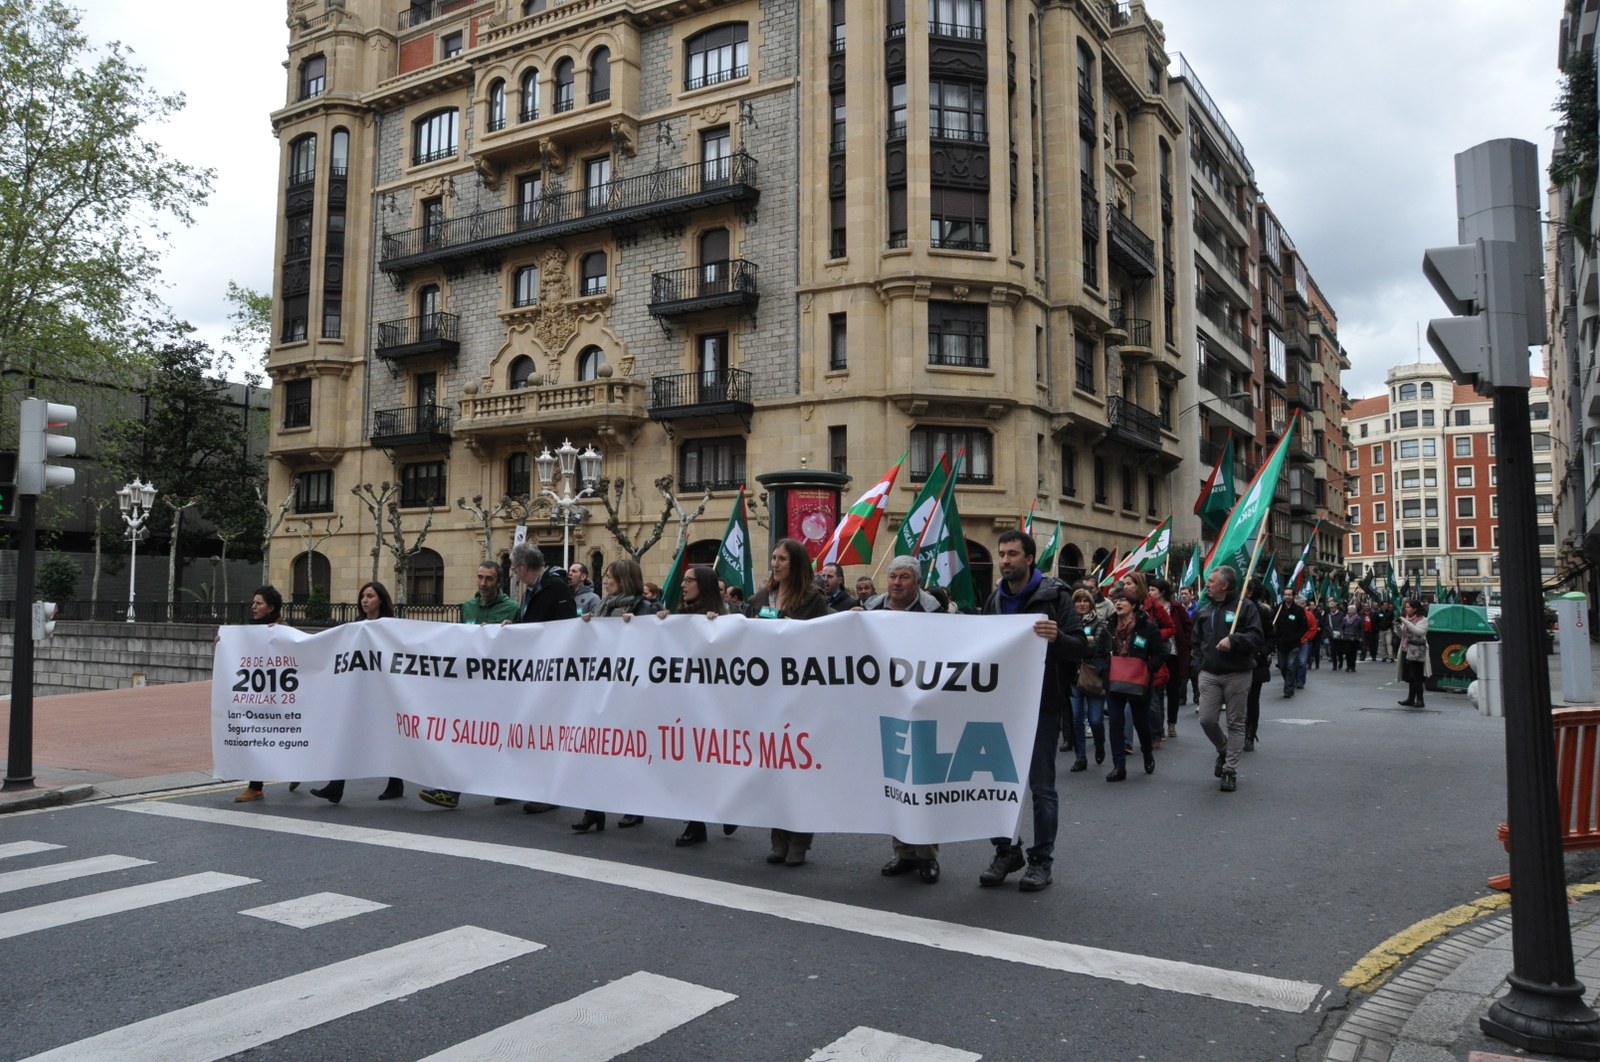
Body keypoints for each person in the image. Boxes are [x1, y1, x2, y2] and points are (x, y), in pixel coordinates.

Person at [418, 543, 577, 811]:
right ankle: (463, 788)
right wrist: (515, 629)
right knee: (484, 734)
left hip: (538, 678)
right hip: (511, 678)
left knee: (533, 737)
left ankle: (543, 794)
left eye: (514, 568)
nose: (514, 572)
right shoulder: (531, 591)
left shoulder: (552, 588)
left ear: (523, 567)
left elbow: (564, 628)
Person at [978, 529, 1071, 892]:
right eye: (1001, 553)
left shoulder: (1055, 596)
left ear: (1029, 558)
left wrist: (1057, 637)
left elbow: (1082, 646)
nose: (1005, 560)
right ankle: (1006, 851)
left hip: (1042, 706)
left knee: (1041, 788)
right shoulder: (994, 600)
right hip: (1000, 705)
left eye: (1012, 554)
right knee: (992, 783)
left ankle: (1041, 861)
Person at [746, 538, 835, 867]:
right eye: (773, 557)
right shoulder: (760, 598)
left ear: (795, 564)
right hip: (767, 693)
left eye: (782, 559)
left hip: (800, 692)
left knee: (798, 769)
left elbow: (827, 635)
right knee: (775, 768)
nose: (775, 563)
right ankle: (778, 839)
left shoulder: (812, 598)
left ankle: (800, 840)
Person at [863, 556, 946, 884]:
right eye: (893, 576)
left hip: (921, 704)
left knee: (921, 780)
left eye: (904, 578)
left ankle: (927, 855)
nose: (897, 583)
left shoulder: (935, 613)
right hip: (884, 704)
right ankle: (903, 852)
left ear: (918, 582)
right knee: (895, 779)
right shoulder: (871, 610)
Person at [571, 558, 656, 833]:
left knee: (629, 753)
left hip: (629, 691)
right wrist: (587, 624)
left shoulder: (644, 607)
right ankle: (593, 809)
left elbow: (655, 642)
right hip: (601, 688)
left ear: (625, 580)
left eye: (611, 577)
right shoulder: (603, 606)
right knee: (595, 752)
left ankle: (634, 806)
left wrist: (640, 625)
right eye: (606, 576)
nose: (605, 581)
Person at [660, 565, 739, 848]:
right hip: (686, 704)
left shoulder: (721, 619)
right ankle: (696, 824)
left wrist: (717, 626)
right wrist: (661, 622)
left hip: (714, 704)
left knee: (715, 762)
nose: (683, 585)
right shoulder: (680, 616)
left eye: (689, 581)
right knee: (691, 765)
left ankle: (730, 807)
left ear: (703, 585)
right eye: (683, 580)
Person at [310, 581, 405, 804]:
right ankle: (336, 786)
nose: (365, 600)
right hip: (359, 692)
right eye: (363, 596)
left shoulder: (390, 627)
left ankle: (396, 782)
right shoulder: (354, 627)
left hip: (384, 692)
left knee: (389, 736)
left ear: (381, 599)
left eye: (370, 596)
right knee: (346, 734)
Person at [1190, 565, 1265, 793]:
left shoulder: (1246, 607)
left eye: (1211, 581)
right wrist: (1198, 668)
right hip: (1209, 673)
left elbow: (1256, 637)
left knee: (1235, 722)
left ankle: (1230, 770)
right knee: (1207, 719)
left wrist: (1234, 640)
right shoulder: (1204, 610)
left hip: (1237, 673)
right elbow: (1196, 642)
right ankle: (1223, 748)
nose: (1207, 585)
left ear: (1224, 585)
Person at [1102, 588, 1164, 781]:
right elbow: (1099, 653)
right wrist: (1104, 670)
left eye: (1123, 600)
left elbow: (1160, 653)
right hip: (1114, 681)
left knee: (1141, 722)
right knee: (1115, 723)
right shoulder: (1109, 626)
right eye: (1116, 600)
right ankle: (1119, 766)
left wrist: (1147, 669)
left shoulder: (1148, 627)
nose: (1118, 603)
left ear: (1134, 605)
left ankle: (1147, 753)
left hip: (1139, 682)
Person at [234, 586, 287, 802]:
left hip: (279, 696)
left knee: (281, 738)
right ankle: (255, 787)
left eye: (259, 603)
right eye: (253, 603)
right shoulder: (250, 631)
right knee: (258, 738)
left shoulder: (282, 630)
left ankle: (296, 770)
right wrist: (224, 643)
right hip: (257, 695)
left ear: (271, 607)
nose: (253, 607)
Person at [1062, 587, 1109, 771]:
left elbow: (1097, 646)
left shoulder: (1100, 621)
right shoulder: (1067, 622)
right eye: (1078, 601)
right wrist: (1083, 641)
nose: (1082, 604)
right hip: (1073, 676)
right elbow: (1064, 645)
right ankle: (1080, 757)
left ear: (1091, 603)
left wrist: (1079, 643)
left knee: (1096, 720)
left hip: (1093, 675)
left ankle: (1099, 743)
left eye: (1085, 601)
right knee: (1076, 719)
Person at [1159, 578, 1192, 736]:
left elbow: (1188, 627)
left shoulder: (1177, 608)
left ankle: (1172, 723)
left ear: (1162, 592)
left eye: (1153, 589)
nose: (1150, 592)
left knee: (1173, 692)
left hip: (1174, 654)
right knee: (1157, 692)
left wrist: (1186, 643)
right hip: (1157, 655)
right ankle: (1158, 726)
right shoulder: (1149, 609)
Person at [1273, 591, 1310, 699]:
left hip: (1294, 644)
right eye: (1285, 594)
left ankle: (1288, 689)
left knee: (1290, 666)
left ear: (1293, 596)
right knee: (1282, 666)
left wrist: (1296, 637)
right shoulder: (1278, 608)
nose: (1287, 596)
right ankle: (1290, 681)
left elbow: (1304, 626)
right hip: (1281, 644)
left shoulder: (1298, 610)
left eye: (1289, 595)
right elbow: (1272, 623)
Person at [1396, 599, 1431, 707]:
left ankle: (1420, 699)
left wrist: (1406, 622)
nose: (1406, 609)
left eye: (1408, 607)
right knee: (1410, 676)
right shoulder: (1407, 618)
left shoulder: (1423, 620)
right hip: (1406, 649)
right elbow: (1402, 635)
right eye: (1405, 607)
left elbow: (1418, 632)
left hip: (1417, 651)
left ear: (1415, 609)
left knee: (1417, 676)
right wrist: (1398, 627)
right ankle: (1410, 699)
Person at [463, 559, 519, 624]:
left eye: (489, 579)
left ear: (499, 582)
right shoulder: (468, 607)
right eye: (480, 577)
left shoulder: (512, 608)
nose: (483, 583)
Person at [1332, 602, 1364, 672]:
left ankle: (1353, 666)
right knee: (1347, 652)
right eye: (1349, 610)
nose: (1350, 612)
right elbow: (1341, 627)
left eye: (1351, 610)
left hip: (1355, 638)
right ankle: (1348, 666)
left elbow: (1361, 628)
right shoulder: (1345, 618)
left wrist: (1361, 637)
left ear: (1355, 611)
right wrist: (1341, 634)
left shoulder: (1358, 619)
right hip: (1346, 637)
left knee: (1353, 653)